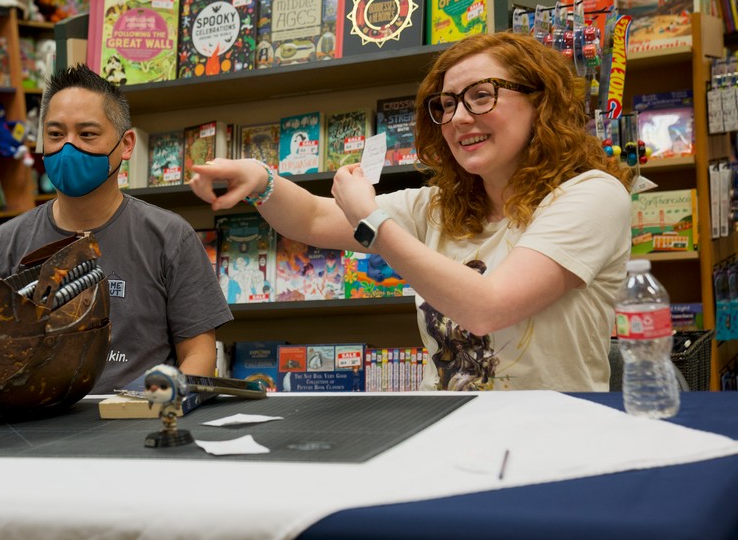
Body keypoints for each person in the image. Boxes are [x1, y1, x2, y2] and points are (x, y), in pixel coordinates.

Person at [190, 32, 634, 392]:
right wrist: (261, 179)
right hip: (447, 432)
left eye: (482, 96)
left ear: (540, 102)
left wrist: (374, 224)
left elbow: (489, 308)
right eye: (448, 104)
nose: (459, 118)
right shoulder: (439, 206)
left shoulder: (592, 196)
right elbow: (311, 219)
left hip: (551, 438)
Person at [0, 63, 232, 394]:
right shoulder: (5, 243)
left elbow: (199, 353)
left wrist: (159, 406)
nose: (68, 147)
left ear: (126, 144)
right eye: (55, 134)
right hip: (35, 418)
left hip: (140, 415)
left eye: (87, 134)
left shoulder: (170, 237)